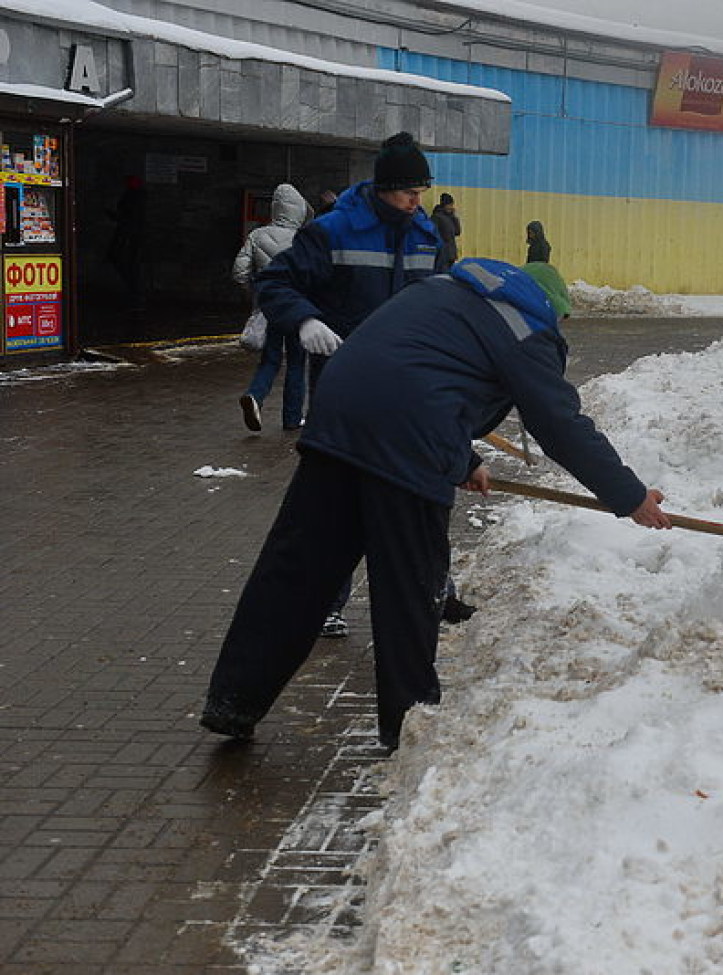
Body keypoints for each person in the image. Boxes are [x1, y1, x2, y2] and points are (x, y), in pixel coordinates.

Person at [200, 258, 672, 752]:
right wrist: (629, 495)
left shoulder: (449, 291)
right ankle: (408, 726)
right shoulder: (526, 325)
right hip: (405, 439)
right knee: (410, 584)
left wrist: (461, 458)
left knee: (295, 570)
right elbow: (560, 424)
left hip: (340, 414)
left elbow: (419, 371)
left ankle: (234, 701)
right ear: (554, 308)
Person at [255, 131, 443, 639]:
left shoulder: (426, 235)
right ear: (384, 189)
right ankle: (326, 602)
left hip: (407, 386)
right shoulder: (334, 231)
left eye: (422, 193)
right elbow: (273, 281)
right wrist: (305, 321)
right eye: (409, 192)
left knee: (415, 493)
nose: (417, 201)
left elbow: (441, 303)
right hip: (344, 386)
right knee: (337, 500)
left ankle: (428, 592)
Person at [233, 183, 311, 433]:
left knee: (270, 359)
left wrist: (254, 295)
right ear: (299, 210)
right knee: (297, 363)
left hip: (270, 307)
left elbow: (239, 272)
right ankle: (292, 418)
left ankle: (255, 396)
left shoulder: (257, 235)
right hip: (297, 308)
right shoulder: (305, 239)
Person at [106, 175, 147, 307]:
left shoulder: (133, 197)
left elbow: (128, 215)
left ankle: (135, 291)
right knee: (129, 261)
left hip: (127, 233)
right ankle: (135, 291)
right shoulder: (137, 196)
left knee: (126, 260)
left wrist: (115, 216)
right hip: (130, 233)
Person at [431, 193, 461, 271]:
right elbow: (433, 234)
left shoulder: (450, 217)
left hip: (451, 254)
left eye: (452, 205)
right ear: (444, 205)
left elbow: (458, 231)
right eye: (449, 205)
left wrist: (453, 216)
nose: (451, 207)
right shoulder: (437, 217)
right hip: (442, 254)